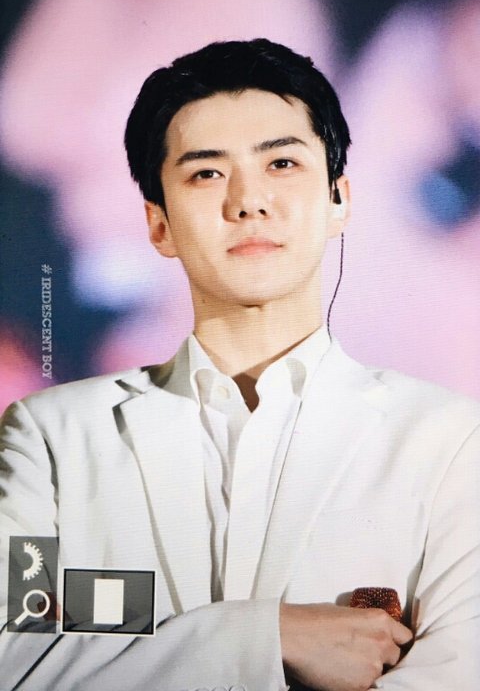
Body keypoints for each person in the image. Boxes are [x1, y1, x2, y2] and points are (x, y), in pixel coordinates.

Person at [0, 38, 478, 691]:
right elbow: (14, 645)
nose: (249, 202)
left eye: (282, 164)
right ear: (159, 224)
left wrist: (140, 633)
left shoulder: (449, 444)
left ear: (338, 201)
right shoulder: (53, 435)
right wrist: (268, 635)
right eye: (206, 174)